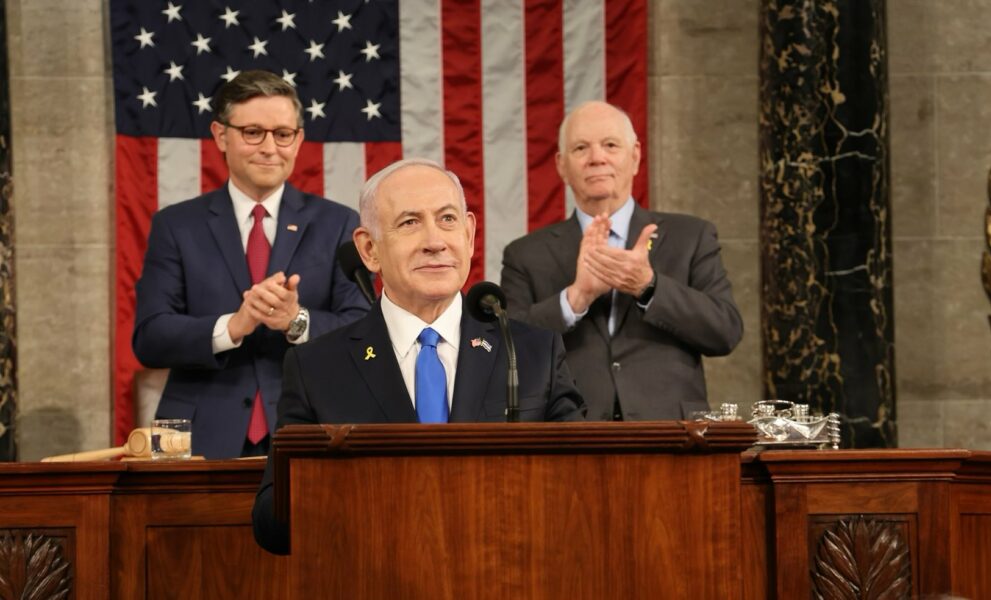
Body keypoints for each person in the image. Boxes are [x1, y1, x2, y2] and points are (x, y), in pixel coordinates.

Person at [252, 158, 585, 554]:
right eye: (410, 222)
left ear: (470, 233)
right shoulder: (317, 367)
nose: (435, 241)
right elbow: (273, 523)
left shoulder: (531, 353)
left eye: (447, 219)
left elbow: (584, 492)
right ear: (369, 249)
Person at [132, 70, 369, 459]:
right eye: (253, 132)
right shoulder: (176, 225)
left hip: (310, 431)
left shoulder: (338, 223)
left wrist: (296, 320)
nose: (270, 147)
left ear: (299, 140)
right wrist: (233, 326)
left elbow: (365, 331)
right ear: (221, 135)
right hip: (196, 439)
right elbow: (150, 338)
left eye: (282, 133)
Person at [500, 101, 743, 421]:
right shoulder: (525, 254)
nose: (597, 158)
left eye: (610, 145)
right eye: (581, 148)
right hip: (570, 438)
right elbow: (506, 353)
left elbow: (725, 331)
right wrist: (575, 299)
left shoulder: (691, 236)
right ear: (561, 165)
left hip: (673, 438)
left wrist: (649, 286)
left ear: (636, 156)